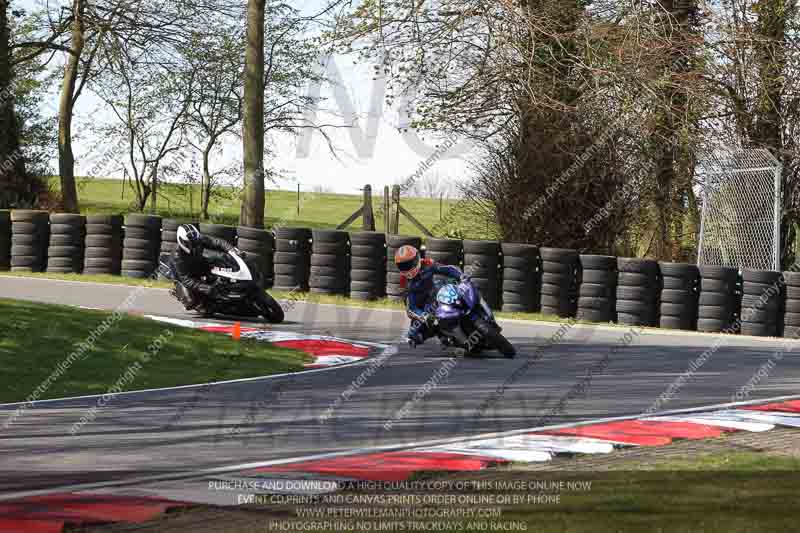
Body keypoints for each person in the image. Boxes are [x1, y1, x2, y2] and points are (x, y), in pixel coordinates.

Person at [395, 245, 467, 347]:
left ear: (417, 259)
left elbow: (447, 269)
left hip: (435, 293)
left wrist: (460, 276)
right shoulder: (404, 282)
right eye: (403, 266)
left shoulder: (427, 263)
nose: (407, 268)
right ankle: (441, 334)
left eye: (409, 264)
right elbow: (410, 308)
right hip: (421, 306)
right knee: (414, 335)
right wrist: (422, 315)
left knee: (451, 287)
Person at [173, 224, 236, 312]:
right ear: (182, 241)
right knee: (193, 302)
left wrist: (231, 250)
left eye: (195, 242)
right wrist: (205, 287)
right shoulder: (178, 256)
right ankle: (183, 295)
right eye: (190, 243)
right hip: (187, 276)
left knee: (220, 260)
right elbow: (186, 279)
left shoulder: (197, 239)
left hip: (199, 264)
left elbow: (217, 242)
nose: (194, 245)